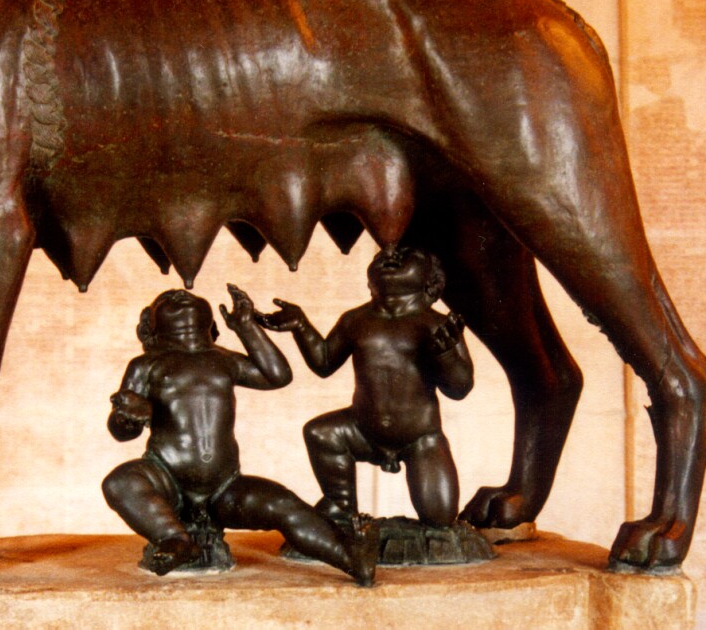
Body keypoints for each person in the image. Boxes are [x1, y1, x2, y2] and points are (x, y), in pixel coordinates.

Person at [102, 286, 377, 586]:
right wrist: (129, 417)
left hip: (225, 486)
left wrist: (247, 327)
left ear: (211, 325)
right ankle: (174, 538)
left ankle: (352, 557)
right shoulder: (145, 365)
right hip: (166, 478)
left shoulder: (223, 359)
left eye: (187, 296)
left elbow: (276, 375)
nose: (180, 295)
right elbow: (120, 431)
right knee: (120, 482)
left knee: (283, 504)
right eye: (166, 299)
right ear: (150, 326)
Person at [258, 248, 473, 528]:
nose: (391, 256)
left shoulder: (437, 326)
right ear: (369, 280)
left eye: (408, 255)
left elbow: (460, 389)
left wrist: (446, 355)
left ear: (431, 281)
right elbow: (324, 362)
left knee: (440, 518)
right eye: (381, 256)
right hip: (361, 430)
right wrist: (301, 326)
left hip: (421, 438)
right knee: (321, 433)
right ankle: (340, 503)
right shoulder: (355, 320)